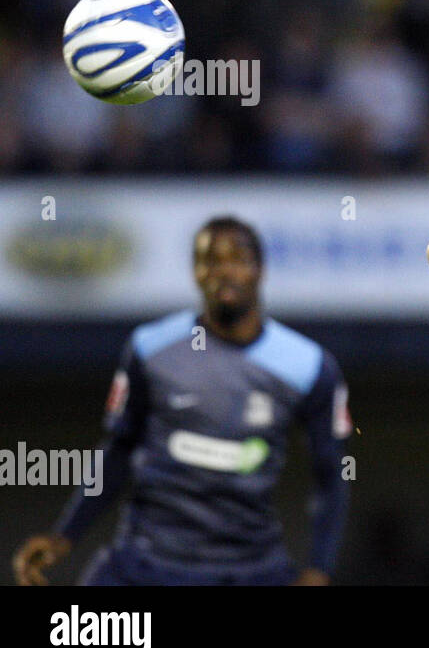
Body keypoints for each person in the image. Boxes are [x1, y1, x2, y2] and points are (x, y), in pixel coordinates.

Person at [13, 217, 352, 586]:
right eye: (210, 259)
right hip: (146, 562)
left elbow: (331, 476)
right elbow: (119, 450)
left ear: (260, 269)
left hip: (249, 570)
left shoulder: (309, 366)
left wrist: (319, 569)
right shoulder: (150, 347)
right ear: (195, 273)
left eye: (237, 257)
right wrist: (66, 534)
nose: (224, 270)